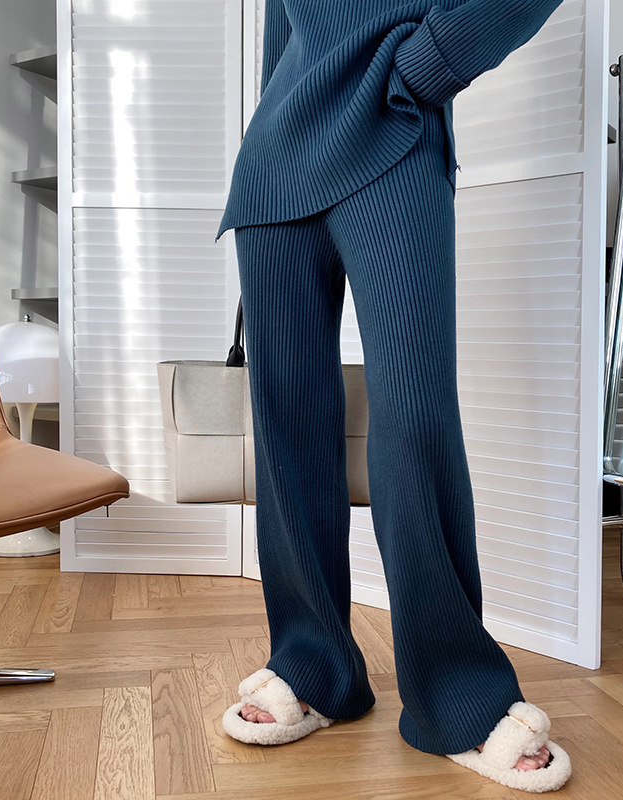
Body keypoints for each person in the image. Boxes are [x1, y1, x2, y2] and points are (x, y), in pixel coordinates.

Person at [215, 0, 572, 793]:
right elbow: (283, 28)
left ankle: (458, 694)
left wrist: (430, 62)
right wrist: (270, 123)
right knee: (286, 423)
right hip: (275, 164)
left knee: (413, 419)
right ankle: (313, 665)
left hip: (394, 131)